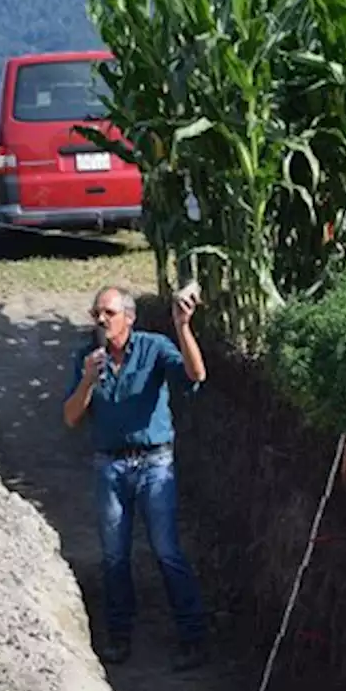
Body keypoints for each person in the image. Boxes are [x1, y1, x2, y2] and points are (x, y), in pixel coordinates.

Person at [62, 285, 210, 671]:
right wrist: (87, 381)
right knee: (114, 556)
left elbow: (196, 374)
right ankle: (119, 636)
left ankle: (192, 636)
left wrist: (183, 326)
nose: (101, 320)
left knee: (166, 551)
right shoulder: (86, 359)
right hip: (109, 467)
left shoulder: (155, 347)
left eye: (108, 313)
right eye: (97, 313)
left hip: (154, 463)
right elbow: (70, 417)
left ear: (129, 317)